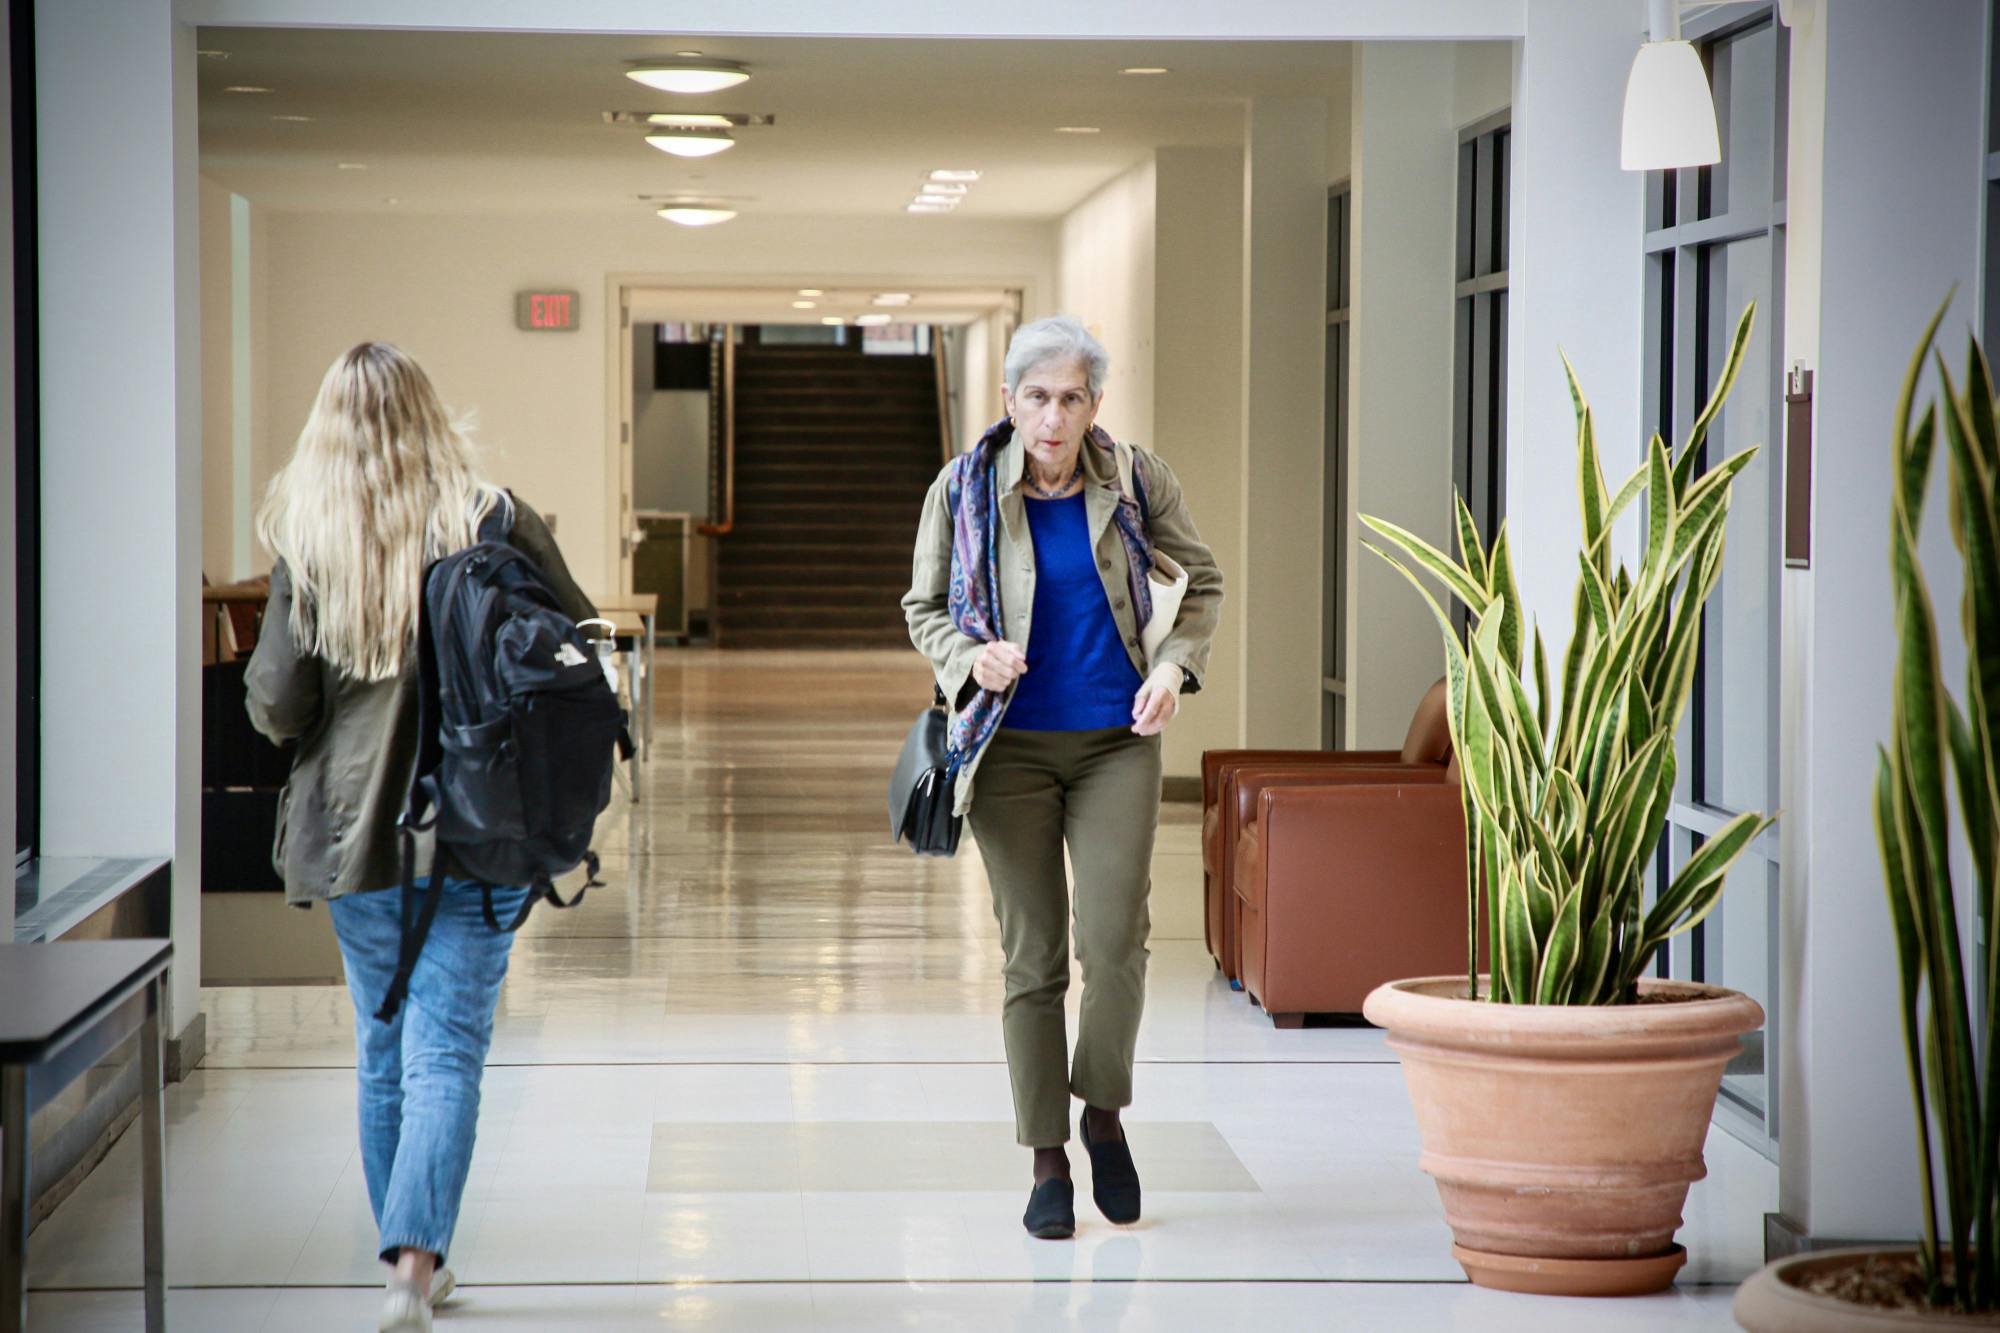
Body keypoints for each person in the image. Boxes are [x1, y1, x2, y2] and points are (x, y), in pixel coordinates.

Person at [245, 342, 594, 1332]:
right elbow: (574, 636)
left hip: (352, 835)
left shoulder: (307, 538)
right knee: (448, 1049)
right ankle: (413, 1262)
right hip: (481, 821)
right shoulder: (491, 516)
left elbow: (277, 702)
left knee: (385, 1044)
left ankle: (406, 1264)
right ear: (430, 416)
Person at [903, 315, 1223, 1239]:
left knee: (1117, 939)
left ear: (1094, 405)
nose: (1053, 418)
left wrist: (1172, 668)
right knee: (1031, 956)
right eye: (1037, 397)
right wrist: (970, 656)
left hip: (1117, 740)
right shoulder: (962, 488)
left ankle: (1104, 1112)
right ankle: (1047, 1157)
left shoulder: (1134, 479)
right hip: (1007, 747)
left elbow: (1201, 580)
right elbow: (922, 605)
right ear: (1009, 401)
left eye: (1071, 398)